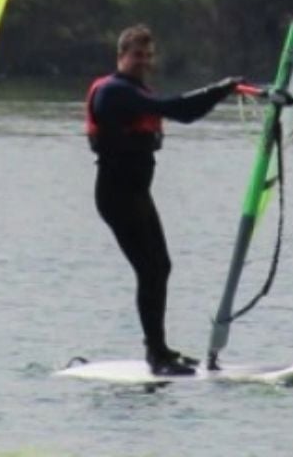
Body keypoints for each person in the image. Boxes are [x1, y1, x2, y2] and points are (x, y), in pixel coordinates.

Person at [86, 24, 240, 376]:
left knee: (160, 267)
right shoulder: (113, 92)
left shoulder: (135, 90)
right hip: (117, 195)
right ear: (121, 56)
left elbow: (175, 109)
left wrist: (223, 90)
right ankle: (156, 356)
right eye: (136, 55)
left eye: (148, 55)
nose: (143, 61)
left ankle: (159, 349)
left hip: (136, 193)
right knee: (150, 269)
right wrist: (221, 90)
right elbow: (181, 111)